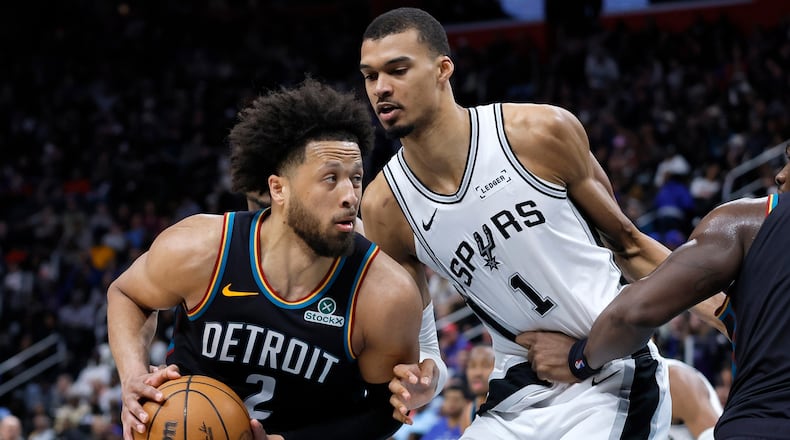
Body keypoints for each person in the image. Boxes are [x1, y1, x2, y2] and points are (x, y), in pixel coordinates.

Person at [357, 7, 710, 438]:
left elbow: (631, 245)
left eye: (397, 70)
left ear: (442, 69)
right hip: (516, 391)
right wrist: (425, 382)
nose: (382, 89)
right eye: (371, 76)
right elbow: (427, 349)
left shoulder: (537, 133)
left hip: (611, 374)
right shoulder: (383, 206)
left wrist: (730, 315)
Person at [107, 78, 424, 440]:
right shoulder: (202, 248)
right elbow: (127, 295)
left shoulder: (385, 294)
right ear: (278, 188)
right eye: (330, 179)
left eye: (356, 179)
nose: (350, 196)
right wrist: (132, 375)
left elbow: (387, 411)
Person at [523, 150, 790, 439]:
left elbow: (634, 311)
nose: (781, 175)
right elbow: (640, 253)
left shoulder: (750, 222)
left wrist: (579, 359)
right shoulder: (765, 303)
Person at [461, 344, 494, 431]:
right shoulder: (468, 411)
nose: (477, 373)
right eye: (472, 366)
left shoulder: (510, 407)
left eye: (486, 365)